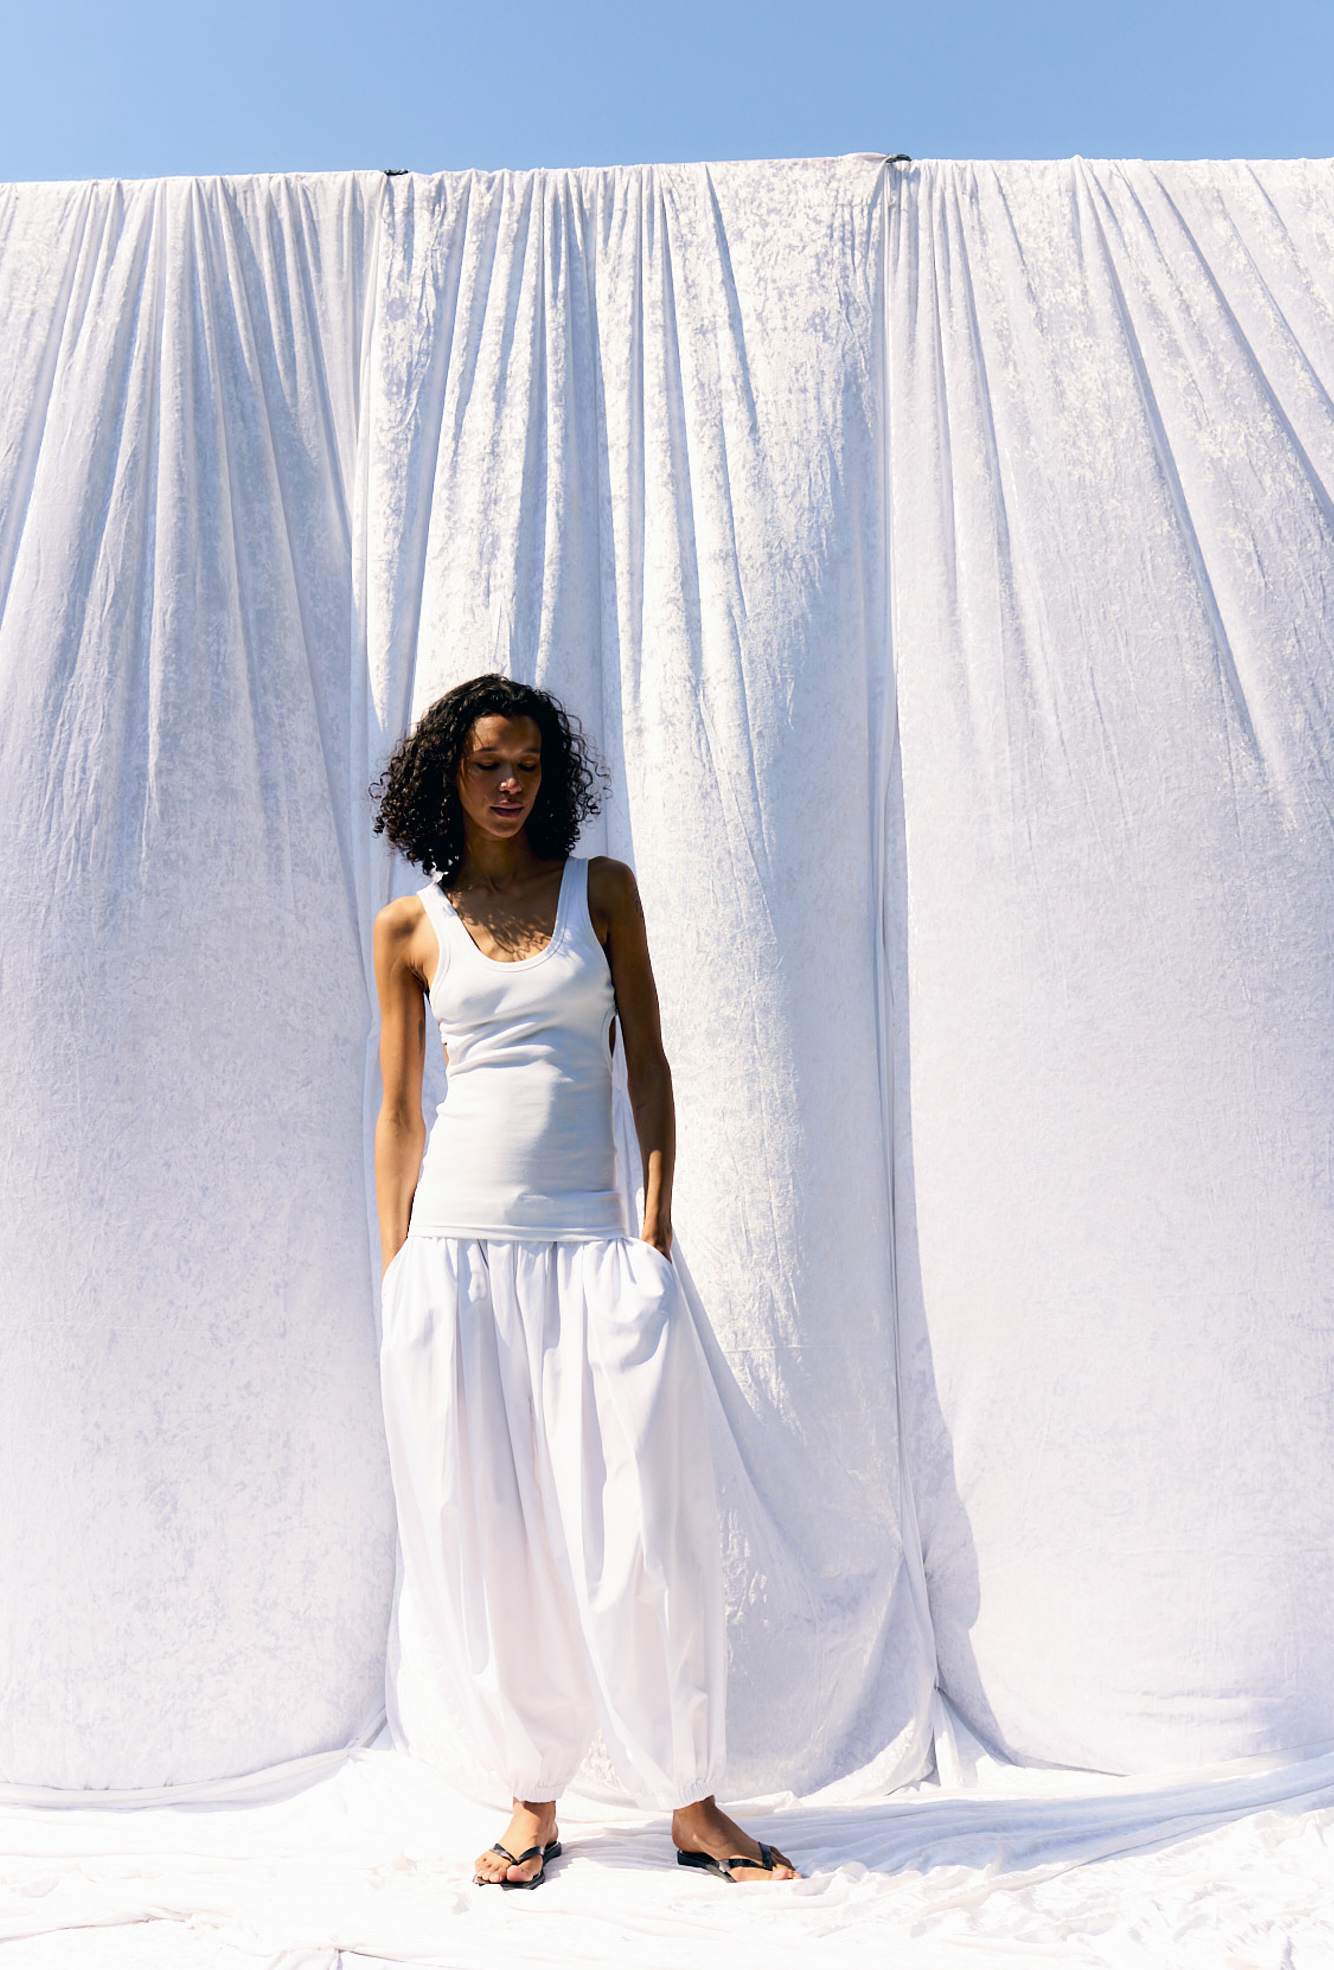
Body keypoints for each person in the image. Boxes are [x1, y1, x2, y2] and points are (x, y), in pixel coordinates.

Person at [370, 674, 796, 1888]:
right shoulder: (412, 927)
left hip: (586, 1243)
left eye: (528, 765)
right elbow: (400, 1112)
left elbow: (648, 1067)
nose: (510, 785)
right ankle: (531, 1797)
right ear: (447, 777)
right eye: (486, 764)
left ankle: (693, 1801)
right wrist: (396, 1269)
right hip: (453, 1253)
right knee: (488, 1530)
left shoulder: (601, 894)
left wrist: (652, 1235)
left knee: (641, 1523)